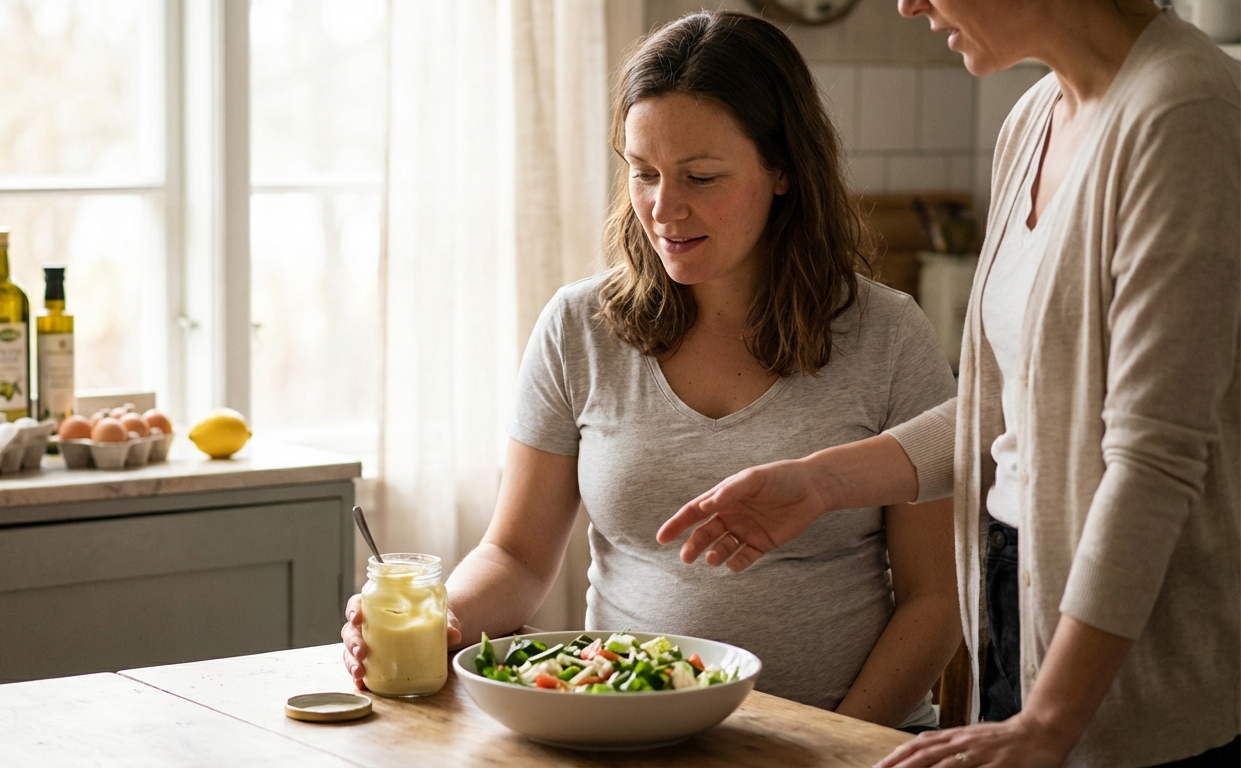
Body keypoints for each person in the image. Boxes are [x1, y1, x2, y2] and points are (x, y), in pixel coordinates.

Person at [342, 11, 963, 730]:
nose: (664, 210)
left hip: (845, 738)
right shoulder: (579, 327)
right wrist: (439, 619)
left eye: (701, 177)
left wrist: (836, 746)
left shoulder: (888, 337)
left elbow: (936, 598)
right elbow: (514, 555)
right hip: (627, 733)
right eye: (644, 174)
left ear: (784, 169)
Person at [658, 2, 1240, 765]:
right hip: (1020, 611)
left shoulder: (1184, 112)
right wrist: (821, 484)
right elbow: (1001, 414)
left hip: (1129, 661)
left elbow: (1152, 464)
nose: (909, 4)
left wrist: (1049, 721)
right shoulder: (1034, 117)